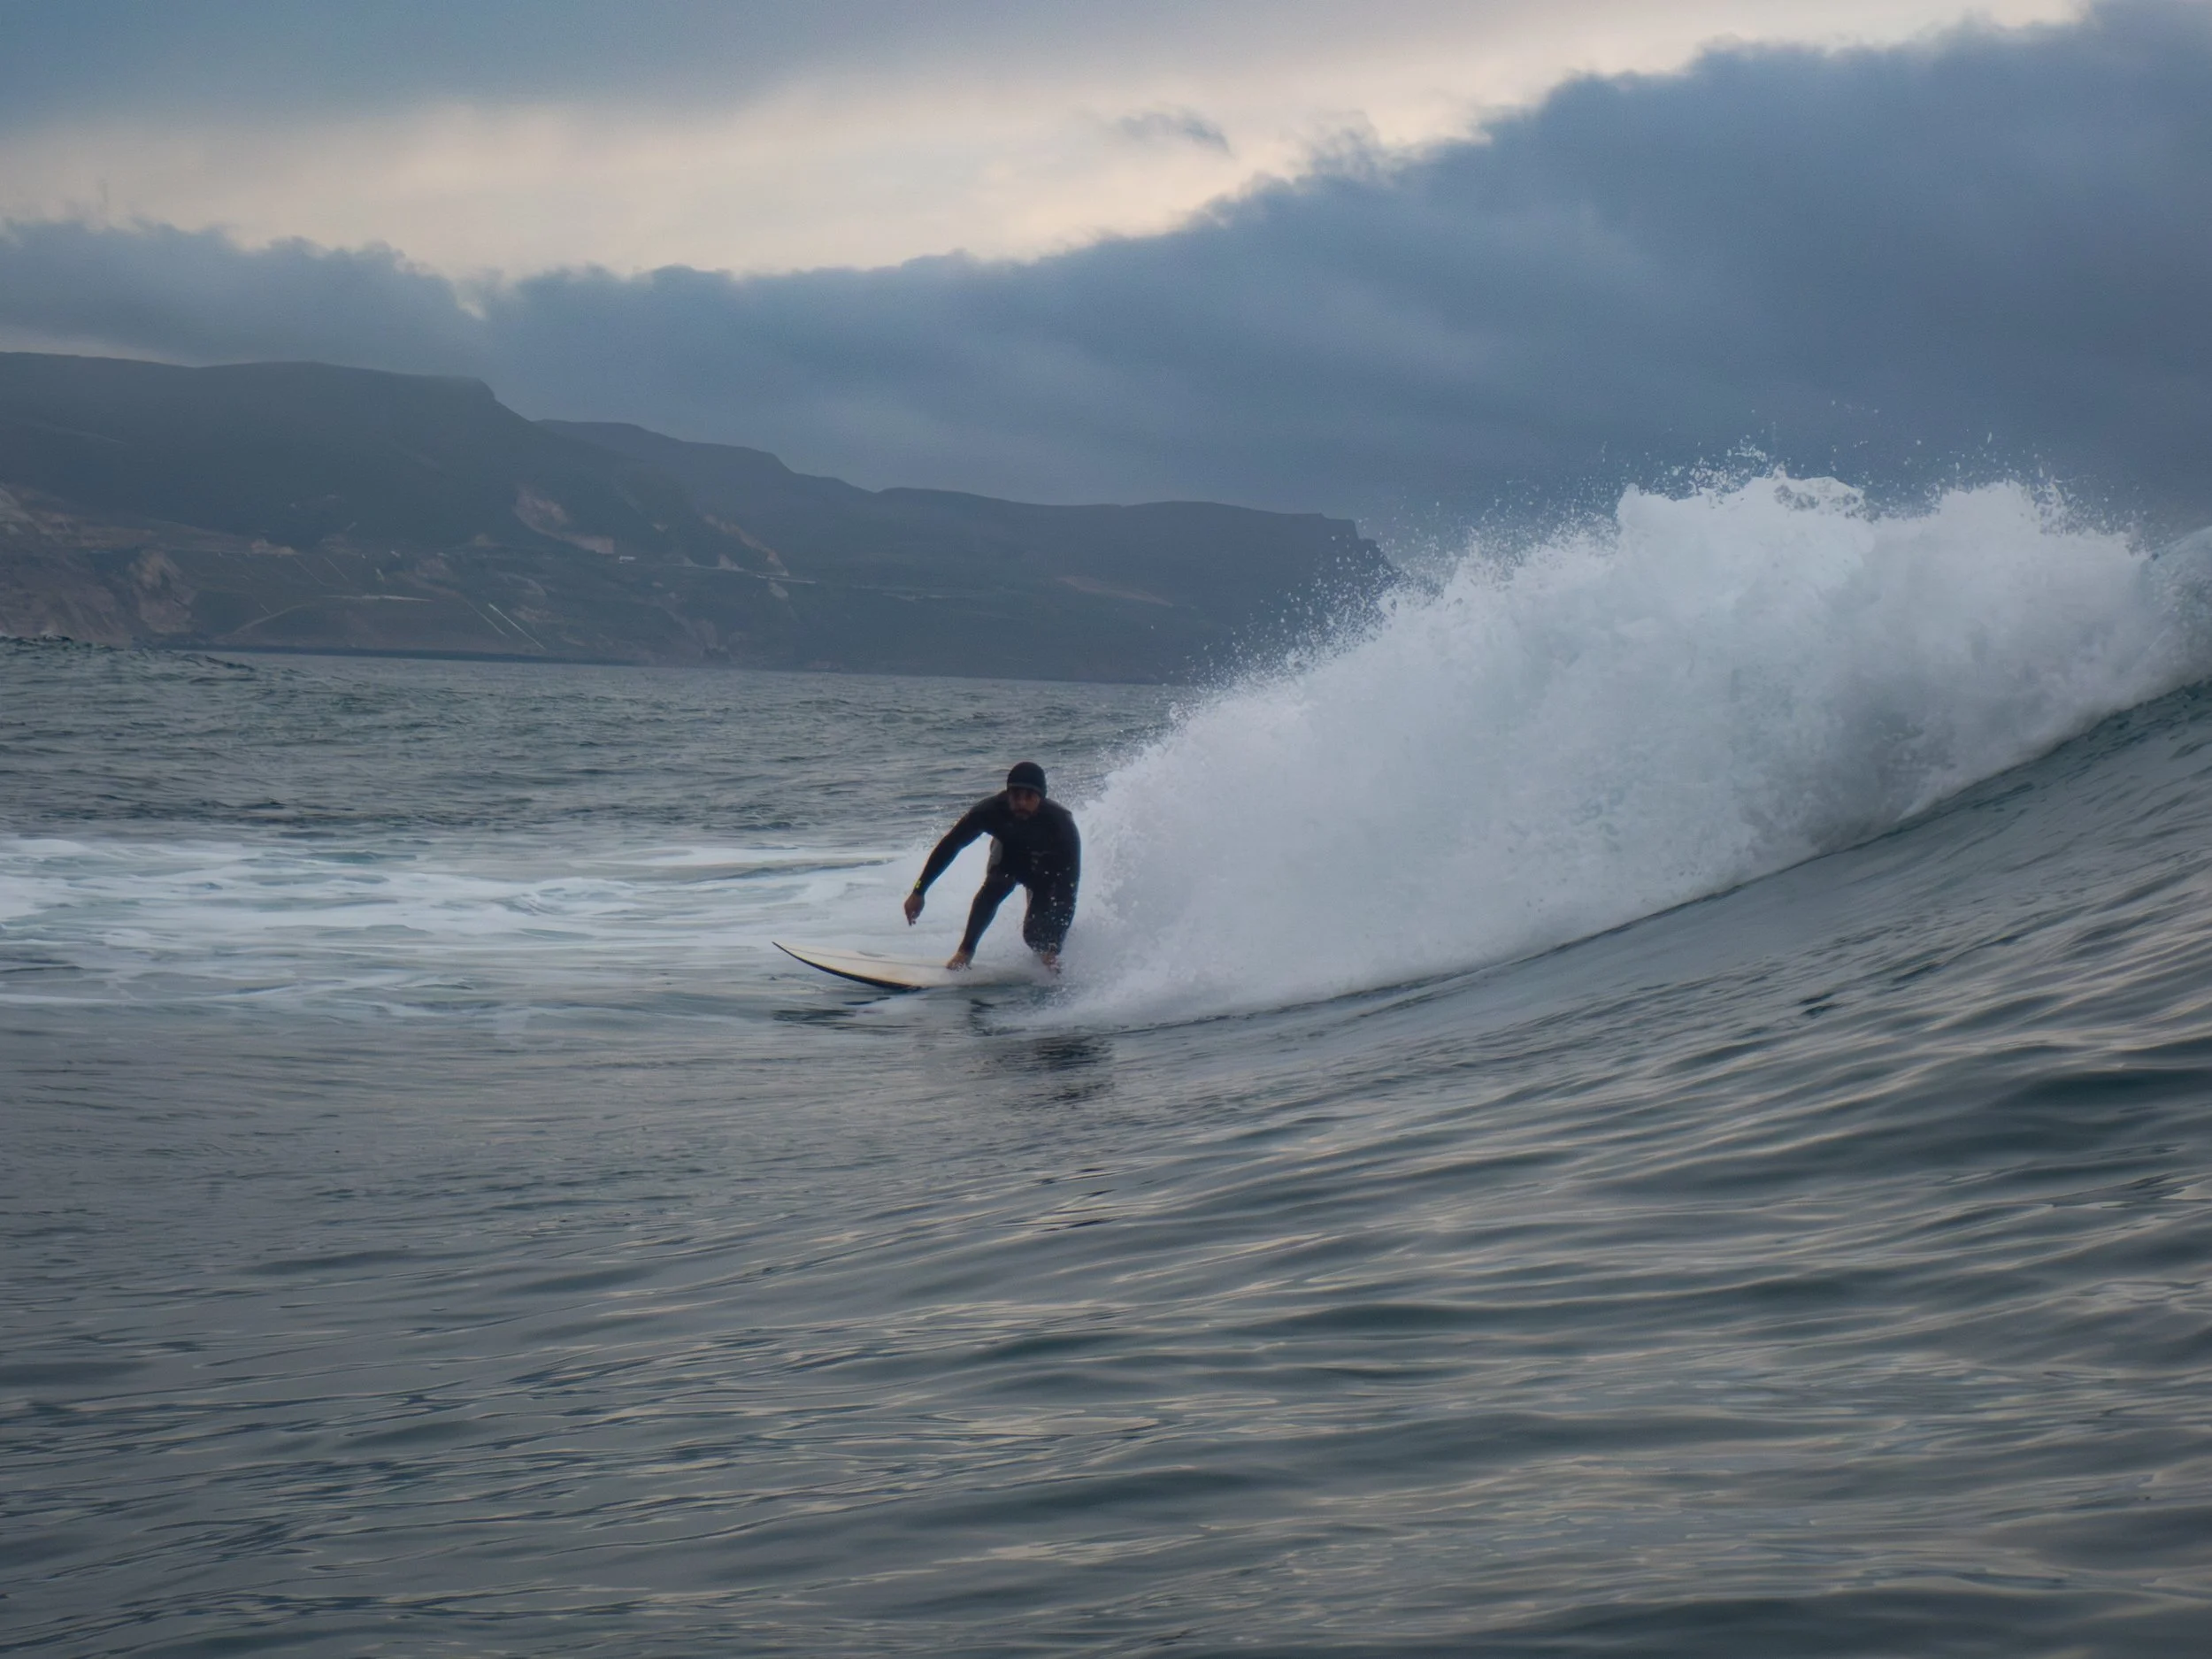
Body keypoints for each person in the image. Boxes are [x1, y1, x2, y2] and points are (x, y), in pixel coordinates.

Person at [902, 761, 1080, 971]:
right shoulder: (990, 811)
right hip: (1008, 857)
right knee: (996, 885)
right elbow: (950, 846)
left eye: (1029, 796)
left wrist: (1053, 948)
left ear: (1040, 797)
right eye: (1016, 795)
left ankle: (1049, 951)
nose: (1022, 802)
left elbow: (1068, 890)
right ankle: (965, 953)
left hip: (1046, 868)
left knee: (1035, 938)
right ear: (1007, 793)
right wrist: (919, 891)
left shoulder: (1061, 824)